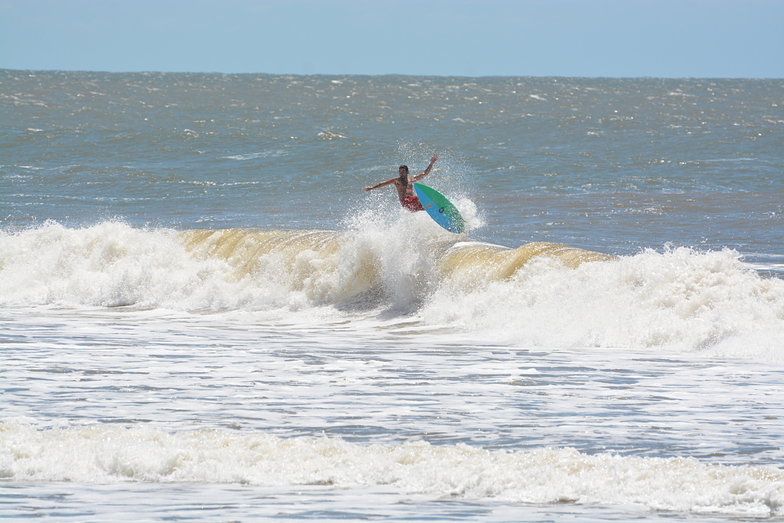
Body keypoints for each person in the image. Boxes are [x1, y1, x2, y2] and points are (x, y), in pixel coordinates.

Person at [364, 154, 438, 212]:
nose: (401, 173)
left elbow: (424, 174)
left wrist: (431, 163)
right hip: (406, 203)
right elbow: (382, 184)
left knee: (429, 208)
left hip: (413, 205)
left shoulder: (411, 180)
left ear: (407, 172)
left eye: (403, 172)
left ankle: (439, 209)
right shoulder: (397, 181)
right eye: (400, 172)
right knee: (421, 198)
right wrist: (371, 188)